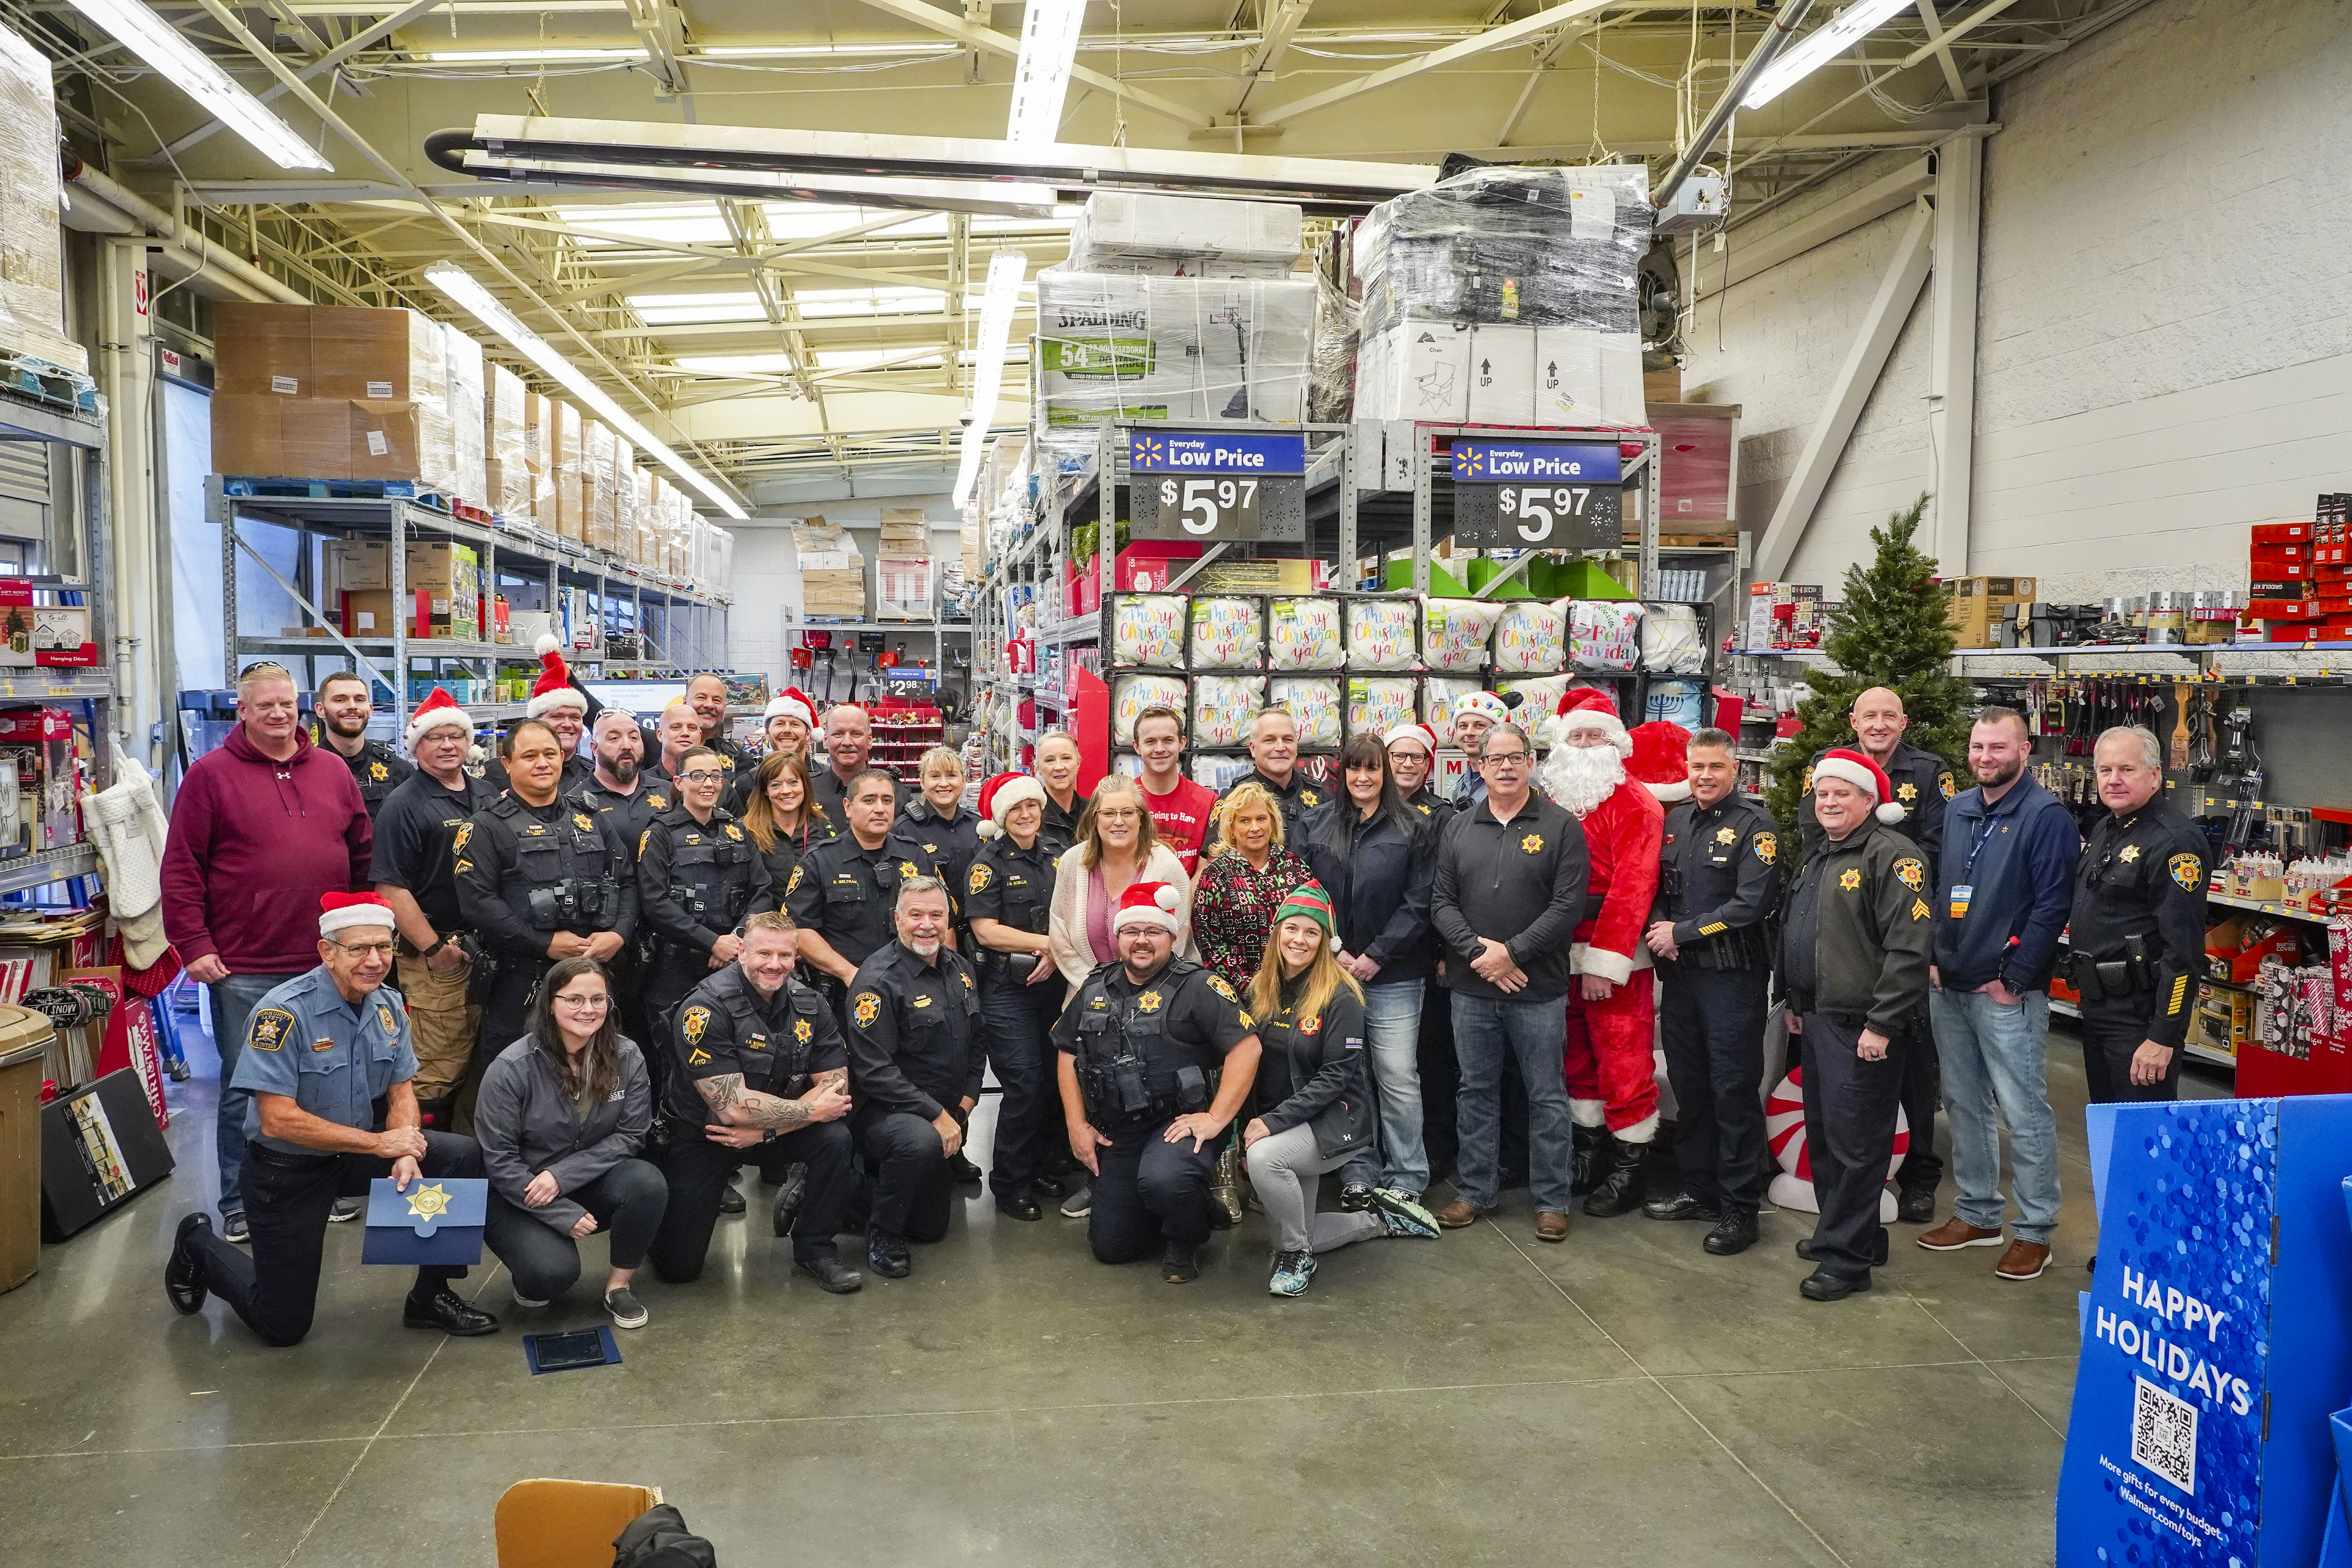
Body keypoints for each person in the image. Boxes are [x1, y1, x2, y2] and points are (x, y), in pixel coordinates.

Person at [163, 894, 498, 1345]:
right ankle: (197, 1243)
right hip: (287, 1168)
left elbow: (402, 1088)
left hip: (352, 1153)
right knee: (283, 1327)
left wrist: (405, 1143)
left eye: (384, 946)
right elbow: (278, 1120)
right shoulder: (282, 1013)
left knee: (458, 1154)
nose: (375, 960)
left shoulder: (388, 1006)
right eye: (359, 948)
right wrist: (380, 1144)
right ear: (327, 951)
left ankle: (431, 1296)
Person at [161, 660, 374, 1243]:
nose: (279, 714)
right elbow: (181, 867)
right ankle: (241, 1202)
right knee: (248, 1089)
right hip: (245, 966)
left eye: (286, 703)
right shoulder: (210, 776)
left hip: (326, 961)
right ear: (243, 710)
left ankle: (318, 1189)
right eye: (265, 705)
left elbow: (361, 855)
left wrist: (359, 937)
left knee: (325, 1082)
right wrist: (193, 943)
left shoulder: (331, 770)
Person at [1921, 707, 2080, 1283]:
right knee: (1963, 1101)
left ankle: (2034, 1232)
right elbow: (1942, 888)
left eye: (1998, 747)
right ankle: (1978, 1213)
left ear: (2024, 750)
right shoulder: (1960, 809)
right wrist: (1934, 955)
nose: (1985, 757)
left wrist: (2015, 979)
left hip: (2004, 993)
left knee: (2023, 1110)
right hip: (1950, 984)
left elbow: (2052, 907)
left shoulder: (2046, 817)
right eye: (1978, 747)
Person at [1777, 749, 1935, 1301]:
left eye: (1842, 793)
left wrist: (1883, 1024)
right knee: (1826, 1138)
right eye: (1823, 793)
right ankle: (1847, 1235)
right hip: (1818, 1017)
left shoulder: (1893, 856)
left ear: (1870, 800)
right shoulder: (1821, 853)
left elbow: (1909, 949)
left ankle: (1847, 1261)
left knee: (1858, 1146)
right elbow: (1801, 931)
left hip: (1863, 1027)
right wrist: (1794, 999)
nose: (1829, 802)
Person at [643, 912, 862, 1293]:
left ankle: (815, 1249)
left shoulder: (811, 1004)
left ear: (796, 957)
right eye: (764, 953)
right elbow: (732, 1108)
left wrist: (768, 1133)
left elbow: (836, 1087)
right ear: (742, 951)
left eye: (785, 955)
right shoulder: (705, 1008)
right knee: (678, 1268)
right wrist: (811, 1111)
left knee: (835, 1139)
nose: (775, 965)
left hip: (769, 1131)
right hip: (704, 1136)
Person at [1429, 724, 1590, 1242]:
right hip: (1473, 989)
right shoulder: (1459, 827)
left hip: (1537, 989)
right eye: (1494, 759)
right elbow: (1441, 903)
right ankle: (1475, 1191)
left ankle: (1552, 1200)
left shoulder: (1562, 826)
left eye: (1515, 757)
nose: (1504, 767)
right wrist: (1481, 955)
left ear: (1530, 762)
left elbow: (1567, 907)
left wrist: (1513, 953)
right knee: (1475, 1091)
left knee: (1546, 1095)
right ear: (1478, 766)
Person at [1056, 882, 1262, 1283]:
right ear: (1118, 936)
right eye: (1132, 931)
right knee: (1112, 1248)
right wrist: (1076, 1125)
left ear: (1172, 936)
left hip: (1178, 1124)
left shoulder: (1199, 986)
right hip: (1118, 1129)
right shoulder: (1095, 986)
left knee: (1166, 1180)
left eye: (1153, 931)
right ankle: (1190, 1205)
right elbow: (1066, 1051)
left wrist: (1217, 1118)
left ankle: (1185, 1236)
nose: (1142, 940)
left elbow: (1248, 1048)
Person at [1797, 686, 1951, 1222]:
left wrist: (1928, 952)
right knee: (1837, 1121)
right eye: (1869, 716)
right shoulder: (1826, 778)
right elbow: (1813, 840)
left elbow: (1936, 863)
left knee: (1902, 1090)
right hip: (1833, 977)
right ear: (1853, 722)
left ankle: (1910, 1186)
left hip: (1889, 964)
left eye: (1890, 715)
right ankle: (1846, 1230)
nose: (1879, 724)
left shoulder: (1925, 781)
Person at [1242, 883, 1441, 1296]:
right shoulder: (1260, 989)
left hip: (1334, 1121)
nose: (1299, 939)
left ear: (1326, 942)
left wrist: (1271, 1123)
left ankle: (1297, 1257)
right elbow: (1247, 1066)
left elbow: (1335, 1077)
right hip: (1286, 1122)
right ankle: (1382, 1220)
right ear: (1277, 933)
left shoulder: (1341, 995)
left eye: (1312, 932)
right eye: (1291, 928)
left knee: (1265, 1159)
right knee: (1297, 1229)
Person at [454, 718, 639, 1108]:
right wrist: (543, 943)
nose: (543, 763)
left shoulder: (593, 818)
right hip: (520, 981)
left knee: (595, 1079)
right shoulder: (486, 827)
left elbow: (627, 882)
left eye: (550, 754)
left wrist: (619, 934)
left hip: (593, 980)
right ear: (507, 764)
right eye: (530, 756)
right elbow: (478, 903)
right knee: (515, 1090)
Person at [1644, 725, 1778, 1256]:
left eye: (1715, 767)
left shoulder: (1756, 826)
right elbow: (1657, 889)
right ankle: (1698, 1190)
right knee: (1691, 1088)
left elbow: (1750, 906)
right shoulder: (1676, 820)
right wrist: (1660, 928)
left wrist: (1680, 933)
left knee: (1732, 1092)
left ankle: (1740, 1208)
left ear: (1735, 770)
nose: (1704, 776)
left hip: (1732, 982)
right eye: (1697, 766)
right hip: (1681, 979)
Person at [474, 957, 666, 1328]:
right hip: (520, 1191)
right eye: (574, 999)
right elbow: (499, 1159)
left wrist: (562, 1176)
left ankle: (618, 1287)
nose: (588, 1009)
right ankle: (531, 1270)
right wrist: (561, 1213)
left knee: (646, 1181)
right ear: (550, 1003)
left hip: (580, 1180)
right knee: (549, 1277)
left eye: (598, 999)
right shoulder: (512, 1068)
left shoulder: (627, 1056)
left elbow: (631, 1135)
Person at [1536, 690, 1666, 1219]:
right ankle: (1588, 1154)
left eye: (1596, 735)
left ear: (1614, 744)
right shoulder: (1550, 798)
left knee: (1622, 1061)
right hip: (1554, 951)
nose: (1586, 744)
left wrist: (1602, 963)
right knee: (1575, 1059)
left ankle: (1629, 1167)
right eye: (1577, 735)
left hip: (1612, 957)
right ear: (1561, 741)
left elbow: (1635, 886)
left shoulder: (1636, 802)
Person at [1299, 733, 1436, 1207]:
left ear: (1385, 773)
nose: (1363, 777)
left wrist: (1378, 954)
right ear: (1343, 773)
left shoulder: (1413, 826)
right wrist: (1333, 948)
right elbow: (1304, 892)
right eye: (1355, 768)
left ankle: (1408, 1175)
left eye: (1372, 768)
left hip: (1395, 974)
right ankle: (1358, 1169)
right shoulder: (1316, 822)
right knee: (1347, 1075)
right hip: (1331, 975)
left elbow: (1421, 900)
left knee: (1397, 1075)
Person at [844, 877, 983, 1278]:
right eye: (916, 915)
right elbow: (875, 1073)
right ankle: (881, 1233)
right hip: (886, 1112)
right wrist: (937, 1116)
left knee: (930, 1228)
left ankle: (852, 1198)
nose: (926, 925)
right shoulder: (876, 981)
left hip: (943, 1112)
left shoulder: (960, 969)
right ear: (897, 919)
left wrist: (963, 1106)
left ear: (948, 920)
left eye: (936, 915)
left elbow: (977, 1041)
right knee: (919, 1142)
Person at [370, 688, 496, 1128]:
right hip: (438, 958)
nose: (447, 745)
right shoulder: (404, 805)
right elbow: (391, 887)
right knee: (437, 1068)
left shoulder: (487, 795)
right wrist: (433, 949)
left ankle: (469, 1155)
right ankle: (422, 1157)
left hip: (488, 951)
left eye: (455, 736)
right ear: (416, 745)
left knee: (482, 1061)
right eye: (435, 737)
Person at [2067, 724, 2207, 1109]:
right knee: (2109, 1127)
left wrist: (2163, 1035)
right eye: (2105, 770)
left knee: (2145, 1135)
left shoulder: (2174, 842)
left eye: (2127, 769)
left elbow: (2184, 952)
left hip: (2141, 1020)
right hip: (2100, 1008)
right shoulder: (2108, 826)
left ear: (2155, 775)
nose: (2114, 780)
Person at [635, 744, 777, 1069]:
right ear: (679, 782)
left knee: (733, 1055)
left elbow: (762, 891)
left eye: (716, 776)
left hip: (733, 964)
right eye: (697, 776)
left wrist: (736, 939)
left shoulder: (737, 830)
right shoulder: (659, 834)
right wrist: (711, 942)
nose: (709, 784)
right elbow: (655, 903)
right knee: (676, 1062)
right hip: (675, 969)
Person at [966, 772, 1065, 1220]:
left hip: (1054, 986)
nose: (1026, 815)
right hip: (1007, 991)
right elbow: (986, 931)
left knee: (1051, 1083)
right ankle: (1009, 1185)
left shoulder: (1058, 855)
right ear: (1002, 817)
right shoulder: (988, 863)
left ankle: (1037, 1167)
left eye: (1032, 806)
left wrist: (1056, 952)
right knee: (1023, 1083)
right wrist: (1047, 944)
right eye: (1016, 809)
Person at [787, 768, 949, 995]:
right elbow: (801, 930)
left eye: (887, 800)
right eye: (869, 800)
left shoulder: (915, 855)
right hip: (845, 988)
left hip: (912, 987)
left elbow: (943, 920)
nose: (880, 809)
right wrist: (850, 974)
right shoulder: (819, 861)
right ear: (848, 807)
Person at [1049, 775, 1193, 992]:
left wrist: (1133, 993)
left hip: (1155, 998)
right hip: (1084, 995)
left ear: (1141, 818)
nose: (1118, 821)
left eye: (1127, 813)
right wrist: (1096, 990)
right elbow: (1060, 939)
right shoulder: (1072, 862)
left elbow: (1177, 939)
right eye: (1108, 813)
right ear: (1095, 818)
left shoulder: (1167, 867)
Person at [1191, 780, 1318, 992]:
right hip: (1239, 994)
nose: (1255, 828)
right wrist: (1248, 987)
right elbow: (1209, 943)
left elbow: (1316, 927)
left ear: (1273, 822)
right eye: (1245, 821)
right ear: (1231, 828)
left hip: (1298, 989)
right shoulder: (1215, 874)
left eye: (1261, 819)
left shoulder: (1296, 868)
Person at [486, 639, 599, 796]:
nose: (567, 724)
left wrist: (569, 676)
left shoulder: (594, 776)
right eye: (557, 716)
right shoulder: (498, 773)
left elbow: (609, 723)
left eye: (575, 717)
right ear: (536, 721)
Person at [1208, 708, 1325, 842]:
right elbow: (1214, 853)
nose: (1281, 748)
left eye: (1288, 740)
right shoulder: (1233, 801)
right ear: (1253, 749)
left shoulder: (1321, 796)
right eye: (1270, 740)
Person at [312, 669, 413, 819]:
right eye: (340, 700)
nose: (352, 706)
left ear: (370, 710)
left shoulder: (399, 770)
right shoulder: (305, 771)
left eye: (359, 700)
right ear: (321, 710)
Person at [1132, 706, 1219, 877]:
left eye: (1168, 740)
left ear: (1182, 743)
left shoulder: (1209, 803)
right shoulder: (1123, 801)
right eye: (1150, 742)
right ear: (1137, 747)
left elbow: (1206, 869)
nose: (1160, 749)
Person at [742, 749, 837, 897]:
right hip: (765, 911)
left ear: (804, 785)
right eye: (776, 785)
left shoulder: (824, 828)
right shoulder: (747, 832)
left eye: (793, 783)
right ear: (765, 790)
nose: (786, 791)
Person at [893, 746, 980, 904]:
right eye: (935, 776)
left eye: (952, 775)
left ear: (963, 780)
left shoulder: (978, 827)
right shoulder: (903, 830)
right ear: (922, 782)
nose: (944, 783)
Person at [725, 688, 818, 814]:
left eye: (795, 724)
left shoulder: (826, 780)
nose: (787, 730)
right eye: (780, 724)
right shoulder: (748, 784)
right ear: (767, 733)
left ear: (808, 734)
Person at [810, 704, 903, 819]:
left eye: (856, 734)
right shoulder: (808, 791)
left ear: (870, 741)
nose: (847, 742)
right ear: (826, 741)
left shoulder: (896, 792)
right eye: (839, 734)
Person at [1447, 691, 1512, 811]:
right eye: (1463, 726)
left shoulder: (1513, 780)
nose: (1469, 733)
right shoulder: (1461, 787)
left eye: (1479, 726)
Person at [1386, 722, 1453, 826]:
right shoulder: (1372, 809)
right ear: (1386, 761)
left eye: (1417, 757)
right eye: (1400, 756)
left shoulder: (1442, 817)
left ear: (1427, 765)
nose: (1408, 764)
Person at [686, 672, 750, 772]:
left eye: (717, 700)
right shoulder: (662, 750)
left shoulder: (740, 760)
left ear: (725, 708)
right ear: (685, 703)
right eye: (701, 698)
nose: (709, 705)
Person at [1034, 731, 1085, 854]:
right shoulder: (1030, 817)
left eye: (1066, 758)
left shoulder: (1094, 812)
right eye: (1050, 760)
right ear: (1039, 768)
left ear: (1078, 763)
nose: (1059, 767)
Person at [645, 701, 707, 789]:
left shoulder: (715, 784)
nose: (685, 733)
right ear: (660, 735)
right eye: (676, 727)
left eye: (692, 728)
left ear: (700, 736)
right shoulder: (640, 784)